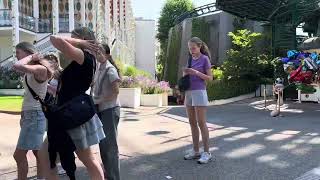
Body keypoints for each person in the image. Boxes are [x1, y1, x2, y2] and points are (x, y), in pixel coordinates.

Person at [44, 27, 105, 179]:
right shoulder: (84, 59)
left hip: (71, 116)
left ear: (83, 39)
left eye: (73, 37)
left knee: (87, 159)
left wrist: (79, 42)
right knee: (46, 156)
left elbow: (54, 39)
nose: (70, 39)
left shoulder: (83, 56)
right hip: (67, 114)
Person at [12, 42, 59, 180]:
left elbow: (17, 66)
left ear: (27, 53)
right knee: (39, 154)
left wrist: (32, 56)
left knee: (19, 155)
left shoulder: (40, 69)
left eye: (18, 53)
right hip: (31, 115)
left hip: (35, 116)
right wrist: (23, 114)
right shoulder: (33, 70)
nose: (16, 56)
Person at [183, 37, 213, 164]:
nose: (191, 50)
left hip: (199, 92)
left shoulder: (205, 59)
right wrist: (185, 73)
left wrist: (195, 72)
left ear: (199, 46)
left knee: (201, 122)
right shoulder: (190, 59)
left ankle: (207, 152)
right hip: (188, 92)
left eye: (193, 48)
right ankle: (196, 151)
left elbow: (210, 78)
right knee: (191, 122)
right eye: (190, 48)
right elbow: (187, 76)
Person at [94, 43, 121, 180]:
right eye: (96, 51)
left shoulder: (110, 70)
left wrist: (98, 100)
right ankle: (108, 174)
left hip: (110, 110)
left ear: (107, 55)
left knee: (110, 147)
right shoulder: (99, 68)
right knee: (103, 146)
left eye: (100, 52)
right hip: (102, 110)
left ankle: (114, 177)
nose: (98, 54)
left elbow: (115, 91)